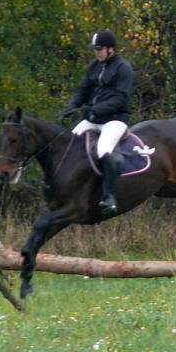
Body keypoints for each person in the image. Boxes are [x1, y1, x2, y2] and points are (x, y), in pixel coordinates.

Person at [60, 29, 133, 215]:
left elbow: (121, 99)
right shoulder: (94, 66)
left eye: (100, 49)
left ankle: (109, 197)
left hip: (115, 120)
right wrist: (71, 107)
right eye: (95, 49)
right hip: (93, 118)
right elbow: (82, 90)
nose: (96, 52)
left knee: (103, 149)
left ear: (111, 49)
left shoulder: (123, 68)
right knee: (69, 143)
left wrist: (95, 110)